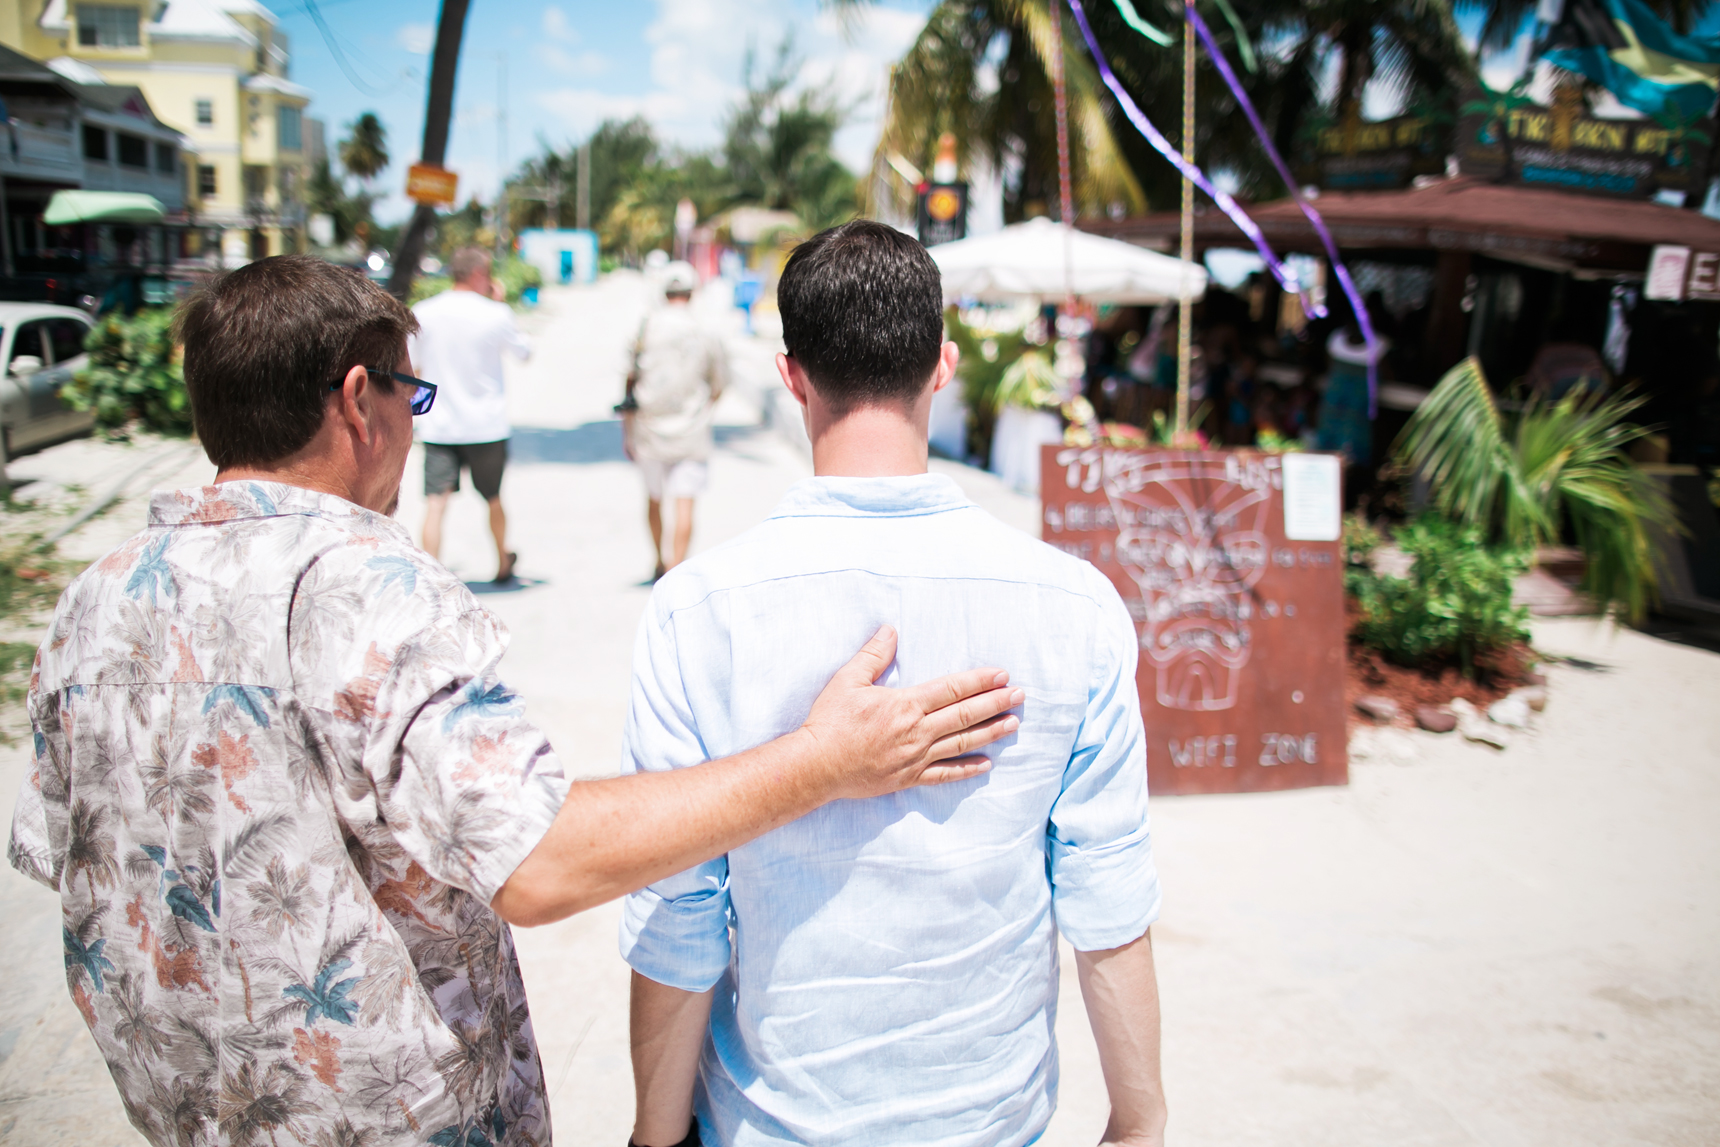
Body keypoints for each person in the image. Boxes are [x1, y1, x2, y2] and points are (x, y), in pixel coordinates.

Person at [6, 255, 1024, 1147]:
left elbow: (81, 863)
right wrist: (824, 759)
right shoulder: (362, 583)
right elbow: (537, 864)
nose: (413, 423)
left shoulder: (93, 599)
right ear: (359, 398)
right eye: (415, 394)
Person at [622, 221, 1166, 1147]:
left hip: (769, 1123)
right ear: (943, 363)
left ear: (792, 374)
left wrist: (655, 1133)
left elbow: (680, 912)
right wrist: (1140, 1122)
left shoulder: (696, 611)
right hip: (992, 1125)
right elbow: (1106, 898)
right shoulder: (1074, 606)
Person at [413, 246, 529, 583]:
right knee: (493, 498)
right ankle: (502, 563)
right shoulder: (495, 314)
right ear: (479, 275)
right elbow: (524, 352)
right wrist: (500, 303)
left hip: (439, 424)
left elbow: (411, 362)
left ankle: (430, 574)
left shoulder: (424, 312)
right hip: (485, 426)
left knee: (435, 503)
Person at [622, 260, 726, 580]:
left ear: (664, 291)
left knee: (654, 499)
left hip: (649, 430)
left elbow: (629, 379)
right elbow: (718, 384)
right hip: (691, 431)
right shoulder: (706, 331)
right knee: (685, 503)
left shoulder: (644, 328)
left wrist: (627, 431)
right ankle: (675, 568)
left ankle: (658, 559)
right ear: (692, 293)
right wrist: (700, 408)